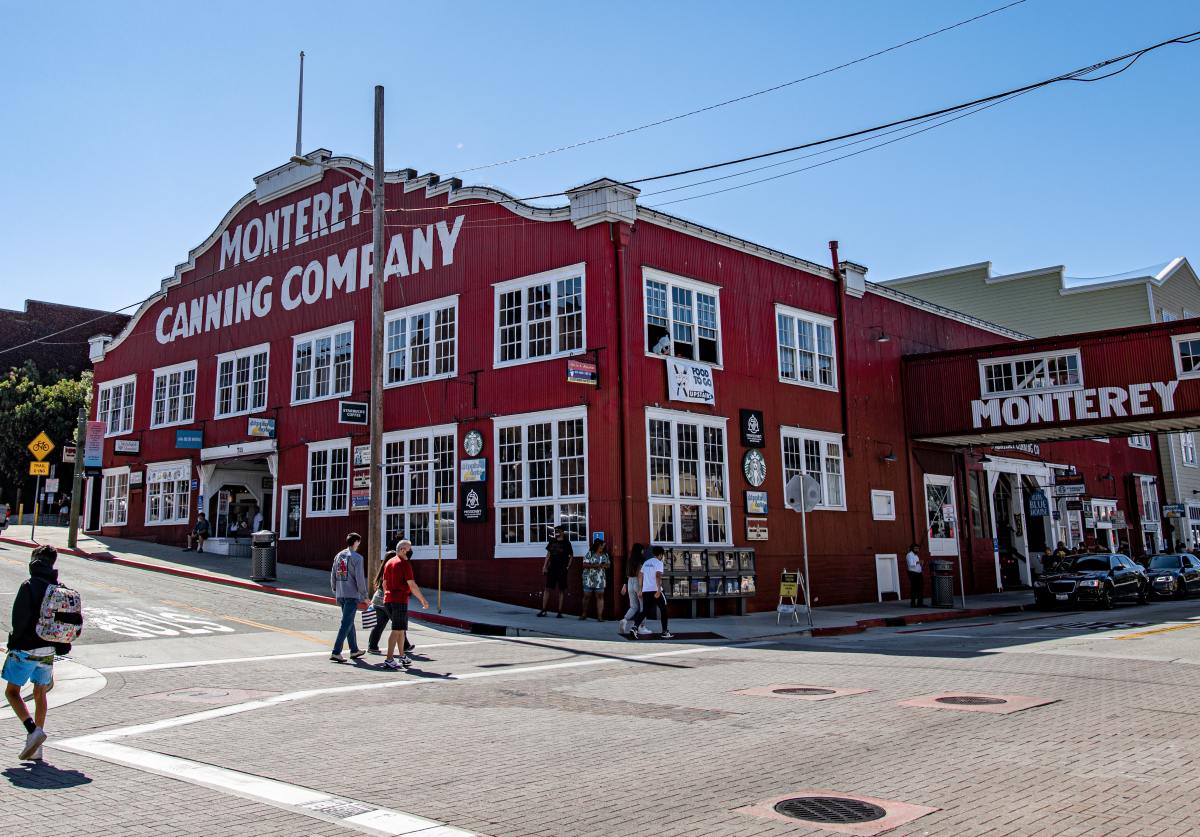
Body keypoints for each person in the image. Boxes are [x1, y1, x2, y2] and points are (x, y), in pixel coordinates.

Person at [5, 546, 79, 761]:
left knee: (12, 692)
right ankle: (36, 748)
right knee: (40, 693)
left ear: (35, 559)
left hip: (26, 648)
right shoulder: (57, 588)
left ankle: (33, 731)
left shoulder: (29, 585)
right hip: (48, 649)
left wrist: (14, 644)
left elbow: (19, 619)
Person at [381, 540, 429, 670]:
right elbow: (412, 585)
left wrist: (387, 595)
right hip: (399, 600)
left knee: (401, 629)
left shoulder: (389, 562)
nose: (411, 551)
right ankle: (389, 659)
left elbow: (384, 584)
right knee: (396, 630)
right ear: (402, 550)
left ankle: (402, 656)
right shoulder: (404, 564)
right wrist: (422, 600)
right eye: (409, 549)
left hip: (388, 600)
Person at [367, 551, 415, 656]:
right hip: (388, 600)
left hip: (377, 600)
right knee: (399, 623)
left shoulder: (383, 569)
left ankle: (372, 646)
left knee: (379, 625)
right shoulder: (392, 569)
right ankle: (405, 646)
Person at [329, 533, 367, 663]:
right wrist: (364, 595)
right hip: (351, 594)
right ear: (356, 542)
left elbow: (333, 573)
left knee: (349, 622)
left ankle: (354, 649)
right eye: (359, 542)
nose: (359, 544)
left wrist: (335, 589)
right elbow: (360, 579)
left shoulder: (339, 555)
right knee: (346, 623)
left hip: (341, 593)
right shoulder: (358, 558)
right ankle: (336, 652)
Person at [629, 545, 665, 639]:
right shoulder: (659, 563)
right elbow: (658, 575)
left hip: (646, 590)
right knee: (664, 609)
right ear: (661, 555)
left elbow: (640, 575)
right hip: (655, 590)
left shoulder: (646, 562)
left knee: (644, 611)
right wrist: (658, 590)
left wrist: (641, 589)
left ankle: (634, 627)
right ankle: (665, 631)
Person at [536, 526, 574, 618]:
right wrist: (544, 566)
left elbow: (571, 556)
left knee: (561, 590)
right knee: (547, 589)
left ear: (562, 532)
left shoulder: (567, 543)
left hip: (562, 569)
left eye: (558, 531)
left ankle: (559, 612)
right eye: (556, 531)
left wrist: (568, 567)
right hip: (552, 568)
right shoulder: (552, 541)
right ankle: (544, 610)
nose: (557, 532)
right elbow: (548, 554)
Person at [580, 539, 610, 621]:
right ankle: (584, 614)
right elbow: (584, 564)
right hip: (589, 578)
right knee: (587, 596)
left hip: (600, 579)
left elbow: (608, 565)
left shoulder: (605, 555)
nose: (603, 547)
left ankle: (600, 616)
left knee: (600, 596)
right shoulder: (590, 554)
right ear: (597, 545)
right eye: (602, 545)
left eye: (604, 546)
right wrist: (594, 566)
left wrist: (604, 565)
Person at [618, 543, 645, 635]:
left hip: (630, 582)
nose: (643, 551)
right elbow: (640, 575)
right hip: (638, 582)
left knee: (633, 606)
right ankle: (641, 627)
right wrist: (641, 588)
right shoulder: (641, 560)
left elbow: (626, 574)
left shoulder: (630, 560)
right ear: (640, 550)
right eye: (642, 549)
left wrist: (624, 585)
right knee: (643, 607)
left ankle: (624, 620)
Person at [905, 543, 924, 608]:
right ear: (912, 549)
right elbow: (911, 564)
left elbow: (917, 564)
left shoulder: (916, 555)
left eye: (918, 548)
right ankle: (913, 604)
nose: (917, 550)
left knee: (920, 588)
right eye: (915, 548)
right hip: (913, 573)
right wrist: (919, 562)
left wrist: (920, 564)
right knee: (914, 589)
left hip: (918, 573)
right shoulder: (909, 555)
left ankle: (920, 603)